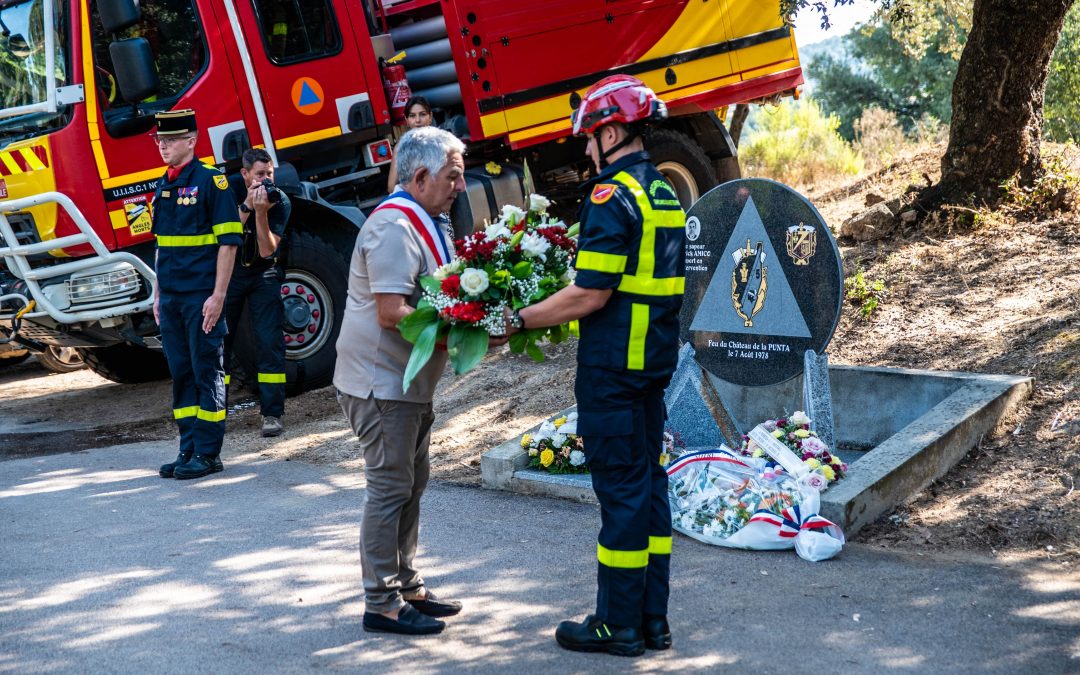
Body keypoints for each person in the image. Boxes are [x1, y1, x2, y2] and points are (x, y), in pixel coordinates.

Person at [505, 75, 686, 657]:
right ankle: (652, 619)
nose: (586, 150)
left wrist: (519, 319)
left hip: (614, 370)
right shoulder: (661, 191)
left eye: (590, 138)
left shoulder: (612, 197)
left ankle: (616, 624)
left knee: (622, 494)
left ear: (611, 131)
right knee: (649, 488)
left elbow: (591, 294)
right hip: (653, 365)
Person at [335, 126, 493, 636]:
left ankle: (406, 584)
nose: (459, 187)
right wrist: (465, 336)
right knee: (390, 488)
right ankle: (380, 602)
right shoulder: (393, 226)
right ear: (421, 176)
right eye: (453, 177)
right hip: (382, 385)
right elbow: (391, 312)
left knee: (411, 482)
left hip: (406, 384)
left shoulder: (426, 218)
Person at [152, 109, 243, 480]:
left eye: (170, 140)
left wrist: (218, 296)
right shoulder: (163, 184)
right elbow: (160, 245)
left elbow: (229, 243)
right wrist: (157, 295)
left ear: (191, 141)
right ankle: (188, 447)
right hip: (172, 299)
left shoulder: (211, 182)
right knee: (181, 373)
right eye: (160, 141)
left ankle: (208, 453)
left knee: (207, 373)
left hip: (200, 297)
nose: (163, 147)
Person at [223, 148, 292, 437]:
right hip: (232, 273)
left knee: (268, 340)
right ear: (245, 174)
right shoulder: (227, 193)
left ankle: (272, 414)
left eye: (270, 175)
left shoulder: (280, 201)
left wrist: (261, 213)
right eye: (260, 175)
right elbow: (223, 238)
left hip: (263, 271)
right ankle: (215, 411)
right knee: (218, 340)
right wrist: (247, 207)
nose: (265, 181)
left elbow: (266, 250)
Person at [386, 96, 433, 192]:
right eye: (412, 116)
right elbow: (391, 187)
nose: (418, 120)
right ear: (406, 120)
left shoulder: (442, 141)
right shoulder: (401, 147)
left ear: (430, 116)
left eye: (422, 114)